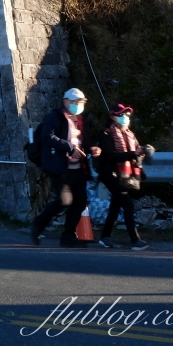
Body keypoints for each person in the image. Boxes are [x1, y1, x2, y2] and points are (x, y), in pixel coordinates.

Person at [30, 88, 94, 247]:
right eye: (74, 102)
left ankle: (68, 237)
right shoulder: (55, 117)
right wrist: (69, 147)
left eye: (80, 102)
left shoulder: (80, 120)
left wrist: (93, 149)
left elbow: (84, 142)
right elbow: (47, 137)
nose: (77, 105)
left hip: (78, 168)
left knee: (80, 202)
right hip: (60, 167)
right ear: (65, 101)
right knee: (64, 200)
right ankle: (38, 224)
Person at [95, 104, 150, 250]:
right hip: (111, 175)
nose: (125, 117)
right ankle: (135, 240)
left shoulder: (129, 134)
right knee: (128, 204)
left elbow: (136, 151)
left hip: (122, 175)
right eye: (121, 115)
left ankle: (105, 237)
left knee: (115, 206)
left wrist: (144, 151)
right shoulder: (106, 134)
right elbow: (112, 155)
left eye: (126, 114)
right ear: (113, 116)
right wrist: (134, 154)